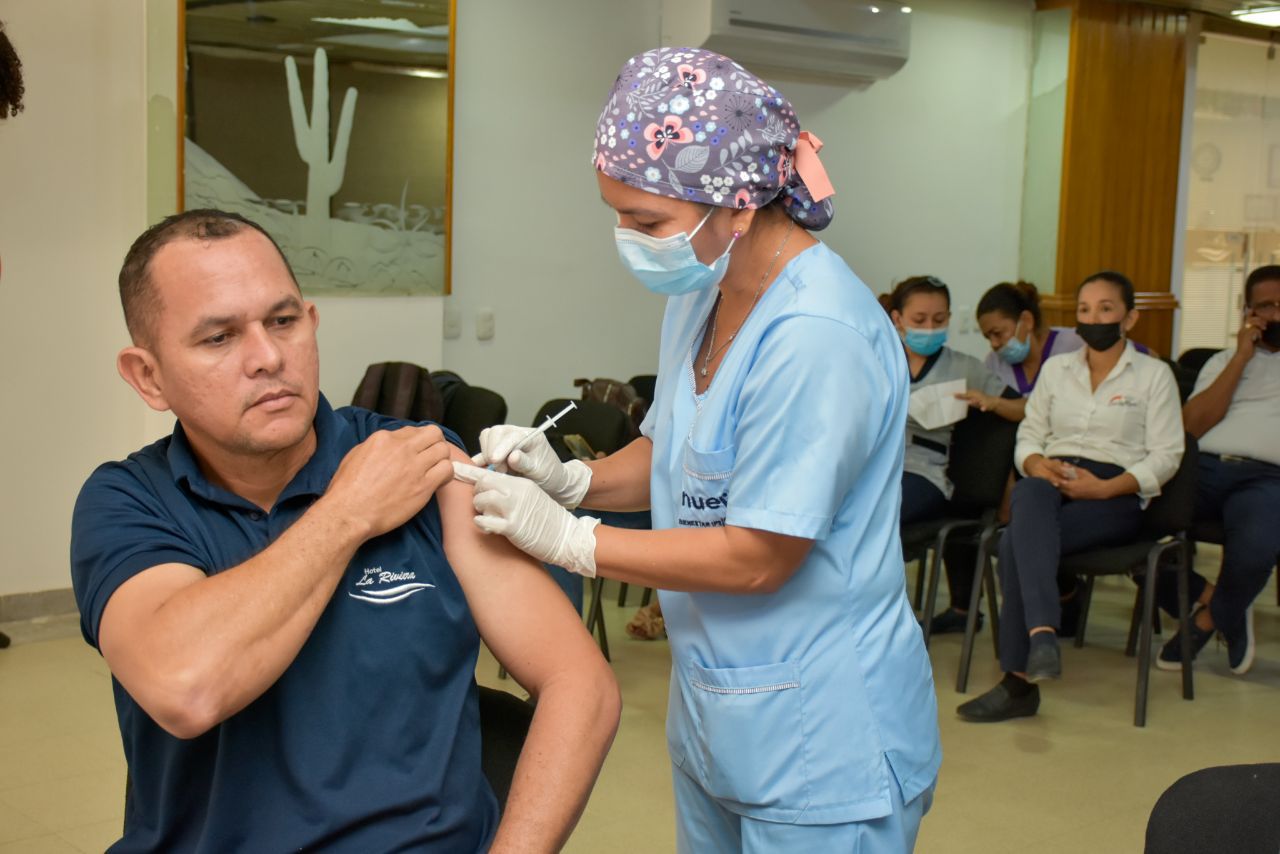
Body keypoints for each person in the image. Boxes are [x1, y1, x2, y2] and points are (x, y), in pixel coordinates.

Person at [458, 47, 940, 852]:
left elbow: (759, 555)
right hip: (722, 713)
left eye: (647, 221)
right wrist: (572, 479)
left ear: (739, 205)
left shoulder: (817, 335)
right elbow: (675, 452)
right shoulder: (704, 293)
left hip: (825, 736)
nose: (627, 238)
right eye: (616, 213)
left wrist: (573, 541)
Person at [70, 210, 620, 851]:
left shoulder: (417, 461)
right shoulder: (128, 500)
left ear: (311, 322)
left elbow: (578, 683)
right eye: (218, 338)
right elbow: (186, 687)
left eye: (282, 321)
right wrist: (347, 513)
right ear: (148, 375)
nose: (269, 357)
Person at [958, 271, 1184, 723]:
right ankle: (1042, 635)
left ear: (1130, 317)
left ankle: (1019, 679)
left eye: (1105, 309)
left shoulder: (1154, 375)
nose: (1093, 318)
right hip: (1051, 481)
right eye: (1084, 310)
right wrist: (1036, 462)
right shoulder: (1058, 370)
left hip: (1114, 493)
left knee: (1013, 542)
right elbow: (1030, 433)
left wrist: (1105, 486)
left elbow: (1167, 455)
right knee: (1032, 492)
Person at [931, 281, 1085, 635]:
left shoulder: (1071, 348)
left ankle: (1062, 594)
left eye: (999, 334)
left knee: (1024, 507)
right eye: (989, 338)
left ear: (1026, 321)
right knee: (964, 489)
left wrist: (998, 404)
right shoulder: (994, 364)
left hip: (1068, 450)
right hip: (1020, 453)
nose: (996, 345)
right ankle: (964, 605)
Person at [1155, 264, 1280, 675]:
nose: (1277, 314)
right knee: (1130, 525)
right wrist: (1242, 358)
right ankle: (1227, 599)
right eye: (1267, 306)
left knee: (1257, 550)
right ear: (1249, 312)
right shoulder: (1225, 360)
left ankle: (1210, 618)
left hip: (1265, 478)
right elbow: (1191, 427)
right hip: (1204, 469)